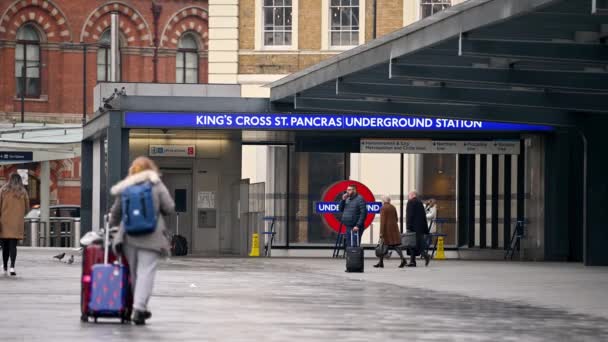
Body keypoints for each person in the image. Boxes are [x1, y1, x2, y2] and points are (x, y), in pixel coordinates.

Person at [110, 156, 175, 325]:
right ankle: (139, 308)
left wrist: (113, 229)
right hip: (151, 236)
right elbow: (169, 207)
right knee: (146, 272)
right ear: (151, 169)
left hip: (129, 236)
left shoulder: (126, 186)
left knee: (133, 274)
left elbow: (115, 212)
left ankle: (135, 307)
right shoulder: (156, 184)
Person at [0, 173, 29, 276]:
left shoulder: (3, 190)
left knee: (5, 247)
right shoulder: (23, 192)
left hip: (4, 222)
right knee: (13, 246)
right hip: (17, 223)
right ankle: (12, 267)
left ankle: (4, 267)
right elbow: (27, 208)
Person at [374, 196, 406, 268]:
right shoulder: (393, 207)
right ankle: (381, 262)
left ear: (383, 201)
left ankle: (402, 260)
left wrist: (381, 232)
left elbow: (383, 221)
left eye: (382, 200)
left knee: (383, 245)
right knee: (394, 245)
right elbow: (396, 219)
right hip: (394, 229)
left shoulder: (383, 208)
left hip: (386, 230)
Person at [405, 191, 430, 267]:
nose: (408, 196)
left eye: (409, 195)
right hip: (420, 228)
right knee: (415, 244)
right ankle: (413, 261)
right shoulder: (420, 203)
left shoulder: (410, 202)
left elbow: (409, 215)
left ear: (413, 195)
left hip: (412, 227)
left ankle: (425, 256)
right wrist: (425, 229)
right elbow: (424, 217)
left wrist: (408, 226)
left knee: (412, 244)